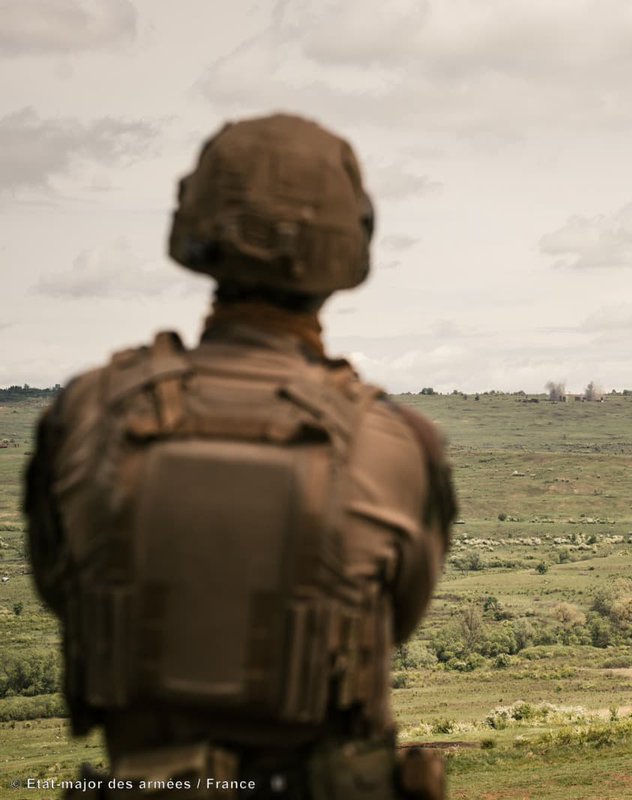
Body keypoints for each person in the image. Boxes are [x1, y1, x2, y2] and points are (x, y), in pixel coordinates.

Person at [23, 114, 457, 800]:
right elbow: (397, 618)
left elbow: (57, 585)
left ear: (194, 222)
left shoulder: (85, 414)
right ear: (350, 244)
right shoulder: (396, 444)